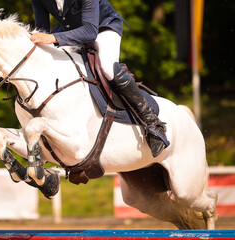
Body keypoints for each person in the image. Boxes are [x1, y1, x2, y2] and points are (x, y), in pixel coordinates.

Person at [30, 0, 169, 157]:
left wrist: (53, 38)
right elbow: (41, 31)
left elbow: (90, 31)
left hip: (103, 28)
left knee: (108, 68)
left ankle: (152, 123)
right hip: (70, 32)